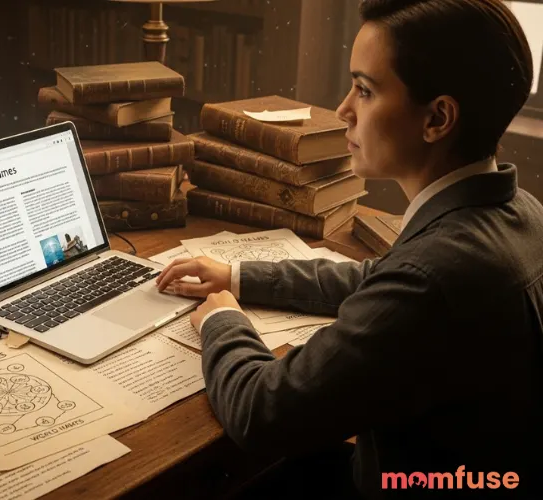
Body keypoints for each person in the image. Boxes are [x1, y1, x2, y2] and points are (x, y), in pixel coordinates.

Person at [156, 0, 543, 498]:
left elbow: (261, 413)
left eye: (364, 89)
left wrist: (221, 319)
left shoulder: (432, 278)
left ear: (437, 118)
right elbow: (380, 278)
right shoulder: (521, 213)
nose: (343, 109)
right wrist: (238, 276)